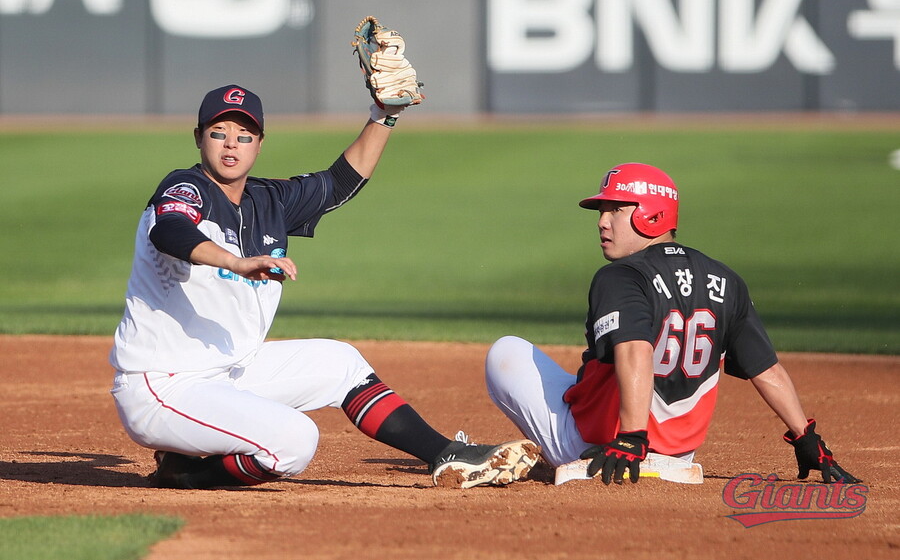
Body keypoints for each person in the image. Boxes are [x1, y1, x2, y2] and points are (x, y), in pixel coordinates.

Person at [108, 81, 538, 490]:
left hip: (228, 370)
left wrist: (384, 115)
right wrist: (235, 263)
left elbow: (339, 182)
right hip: (163, 384)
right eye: (219, 133)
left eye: (244, 134)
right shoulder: (184, 187)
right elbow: (170, 232)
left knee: (340, 362)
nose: (231, 144)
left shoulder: (268, 200)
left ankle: (447, 455)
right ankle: (185, 476)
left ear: (260, 143)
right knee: (295, 442)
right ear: (199, 138)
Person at [484, 162, 859, 485]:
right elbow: (766, 369)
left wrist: (631, 438)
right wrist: (807, 438)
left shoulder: (620, 276)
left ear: (650, 214)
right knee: (585, 378)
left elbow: (634, 350)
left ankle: (605, 449)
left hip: (611, 447)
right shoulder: (725, 279)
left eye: (614, 210)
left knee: (506, 351)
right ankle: (656, 454)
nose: (602, 222)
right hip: (680, 453)